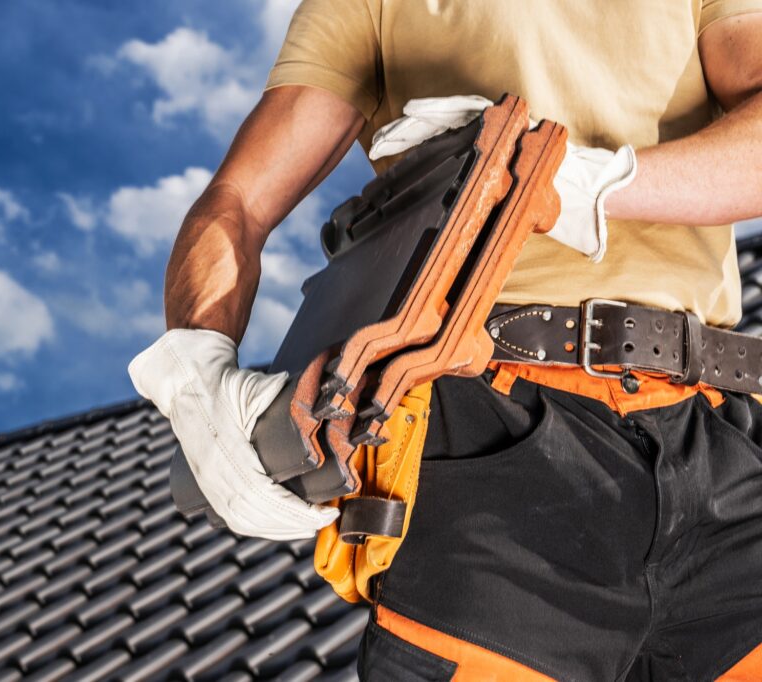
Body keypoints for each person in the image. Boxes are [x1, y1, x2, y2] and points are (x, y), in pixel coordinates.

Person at [128, 1, 762, 678]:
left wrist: (583, 186)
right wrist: (195, 365)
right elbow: (240, 200)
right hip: (489, 438)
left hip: (715, 433)